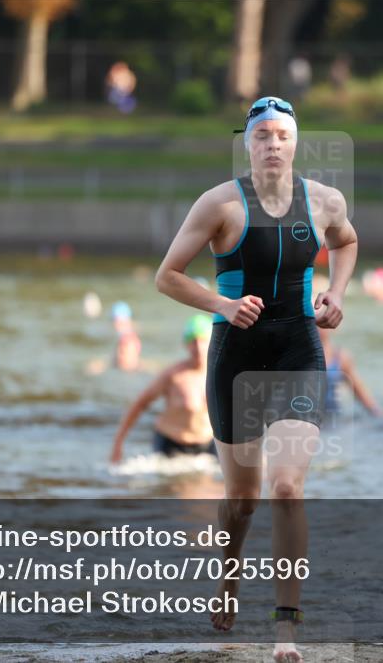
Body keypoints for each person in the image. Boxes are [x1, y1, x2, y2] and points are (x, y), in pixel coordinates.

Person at [155, 96, 358, 663]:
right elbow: (167, 276)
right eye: (262, 135)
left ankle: (285, 629)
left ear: (296, 143)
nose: (272, 144)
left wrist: (336, 295)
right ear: (247, 142)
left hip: (298, 347)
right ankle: (227, 580)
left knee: (287, 487)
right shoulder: (220, 204)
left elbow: (347, 241)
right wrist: (222, 304)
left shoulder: (324, 201)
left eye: (282, 135)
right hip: (236, 357)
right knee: (241, 501)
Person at [110, 315, 216, 463]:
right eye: (193, 341)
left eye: (203, 340)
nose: (198, 347)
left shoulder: (219, 375)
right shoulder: (173, 375)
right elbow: (140, 404)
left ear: (213, 342)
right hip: (172, 444)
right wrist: (118, 442)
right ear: (186, 344)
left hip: (208, 445)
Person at [317, 325, 383, 418]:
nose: (315, 327)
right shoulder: (297, 356)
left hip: (332, 420)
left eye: (319, 323)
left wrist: (377, 412)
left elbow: (359, 391)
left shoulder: (340, 357)